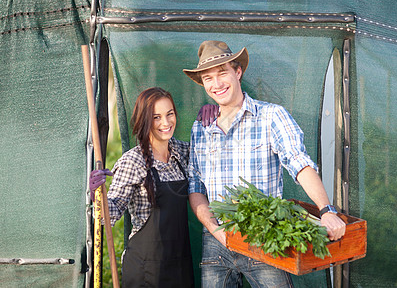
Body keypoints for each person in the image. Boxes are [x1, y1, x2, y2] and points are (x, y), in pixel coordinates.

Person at [183, 40, 346, 287]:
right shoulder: (201, 128)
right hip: (215, 242)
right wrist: (215, 229)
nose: (216, 84)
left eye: (222, 73)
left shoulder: (271, 116)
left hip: (265, 236)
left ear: (238, 72)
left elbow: (299, 163)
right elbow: (196, 187)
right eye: (208, 78)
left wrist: (325, 210)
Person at [89, 87, 217, 287]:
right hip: (145, 269)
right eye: (156, 117)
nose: (165, 123)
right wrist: (97, 195)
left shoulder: (183, 152)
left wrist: (215, 115)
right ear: (144, 120)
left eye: (169, 114)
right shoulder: (133, 161)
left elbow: (216, 152)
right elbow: (109, 215)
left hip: (180, 265)